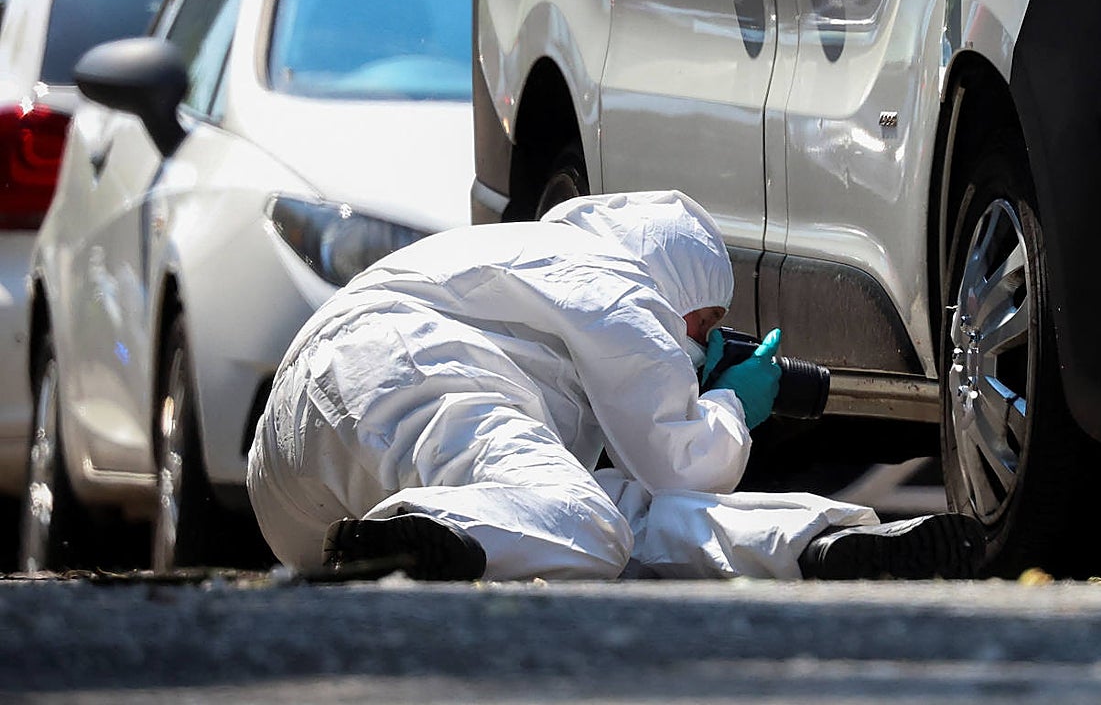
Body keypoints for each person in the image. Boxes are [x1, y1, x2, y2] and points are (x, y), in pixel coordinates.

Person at [247, 190, 985, 581]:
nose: (697, 346)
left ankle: (818, 545)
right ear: (674, 284)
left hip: (292, 491)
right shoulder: (613, 279)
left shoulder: (533, 261)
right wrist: (732, 401)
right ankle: (425, 535)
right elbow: (682, 463)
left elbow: (645, 488)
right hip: (406, 367)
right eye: (704, 325)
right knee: (586, 526)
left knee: (581, 513)